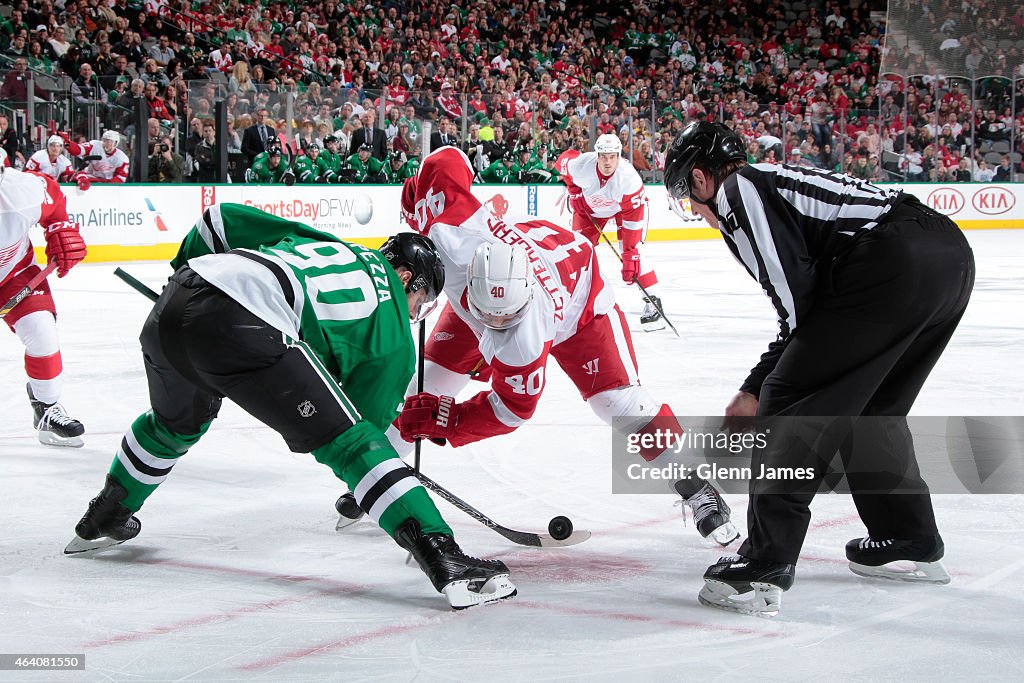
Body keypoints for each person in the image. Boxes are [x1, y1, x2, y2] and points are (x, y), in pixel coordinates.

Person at [64, 203, 517, 610]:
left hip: (178, 299)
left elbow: (216, 220)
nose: (416, 311)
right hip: (249, 323)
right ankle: (447, 558)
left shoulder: (330, 245)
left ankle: (106, 514)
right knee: (353, 445)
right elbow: (363, 436)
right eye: (422, 299)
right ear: (405, 280)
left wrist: (189, 283)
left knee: (174, 424)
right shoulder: (396, 333)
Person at [330, 146, 739, 546]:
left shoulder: (520, 336)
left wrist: (450, 421)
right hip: (511, 275)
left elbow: (512, 410)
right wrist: (421, 195)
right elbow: (448, 157)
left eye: (504, 321)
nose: (495, 327)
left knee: (619, 404)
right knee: (423, 385)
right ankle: (380, 476)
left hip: (579, 301)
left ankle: (696, 486)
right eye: (490, 318)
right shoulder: (450, 234)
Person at [663, 120, 975, 616]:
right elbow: (813, 309)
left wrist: (760, 390)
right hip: (945, 256)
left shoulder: (739, 192)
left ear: (701, 179)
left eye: (689, 198)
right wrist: (753, 386)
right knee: (871, 411)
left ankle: (763, 567)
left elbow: (797, 307)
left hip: (894, 260)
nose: (697, 212)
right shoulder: (772, 182)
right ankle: (908, 538)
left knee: (791, 401)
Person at [0, 153, 87, 447]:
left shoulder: (21, 191)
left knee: (42, 334)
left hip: (15, 274)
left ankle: (46, 408)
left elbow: (53, 196)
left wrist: (58, 229)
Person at [557, 134, 665, 332]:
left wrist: (630, 252)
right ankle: (573, 301)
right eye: (603, 156)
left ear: (619, 155)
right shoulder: (582, 165)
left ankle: (653, 301)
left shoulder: (628, 180)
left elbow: (633, 216)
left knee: (633, 256)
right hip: (590, 210)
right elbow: (562, 162)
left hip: (623, 210)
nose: (607, 162)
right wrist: (573, 190)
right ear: (597, 155)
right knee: (578, 251)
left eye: (612, 156)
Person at [60, 129, 130, 189]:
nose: (107, 143)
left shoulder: (122, 158)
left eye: (110, 141)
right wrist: (67, 142)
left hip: (108, 183)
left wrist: (105, 185)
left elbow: (120, 179)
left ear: (116, 143)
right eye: (105, 140)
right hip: (92, 177)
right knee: (77, 176)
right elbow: (79, 150)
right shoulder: (95, 146)